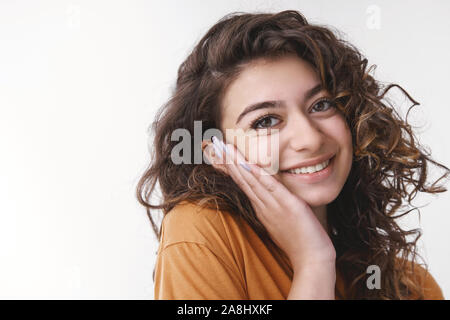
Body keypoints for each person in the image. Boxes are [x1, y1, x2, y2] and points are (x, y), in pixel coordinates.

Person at [136, 10, 449, 299]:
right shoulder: (202, 233)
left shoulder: (408, 284)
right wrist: (313, 262)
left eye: (321, 105)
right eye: (266, 121)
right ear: (218, 152)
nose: (310, 139)